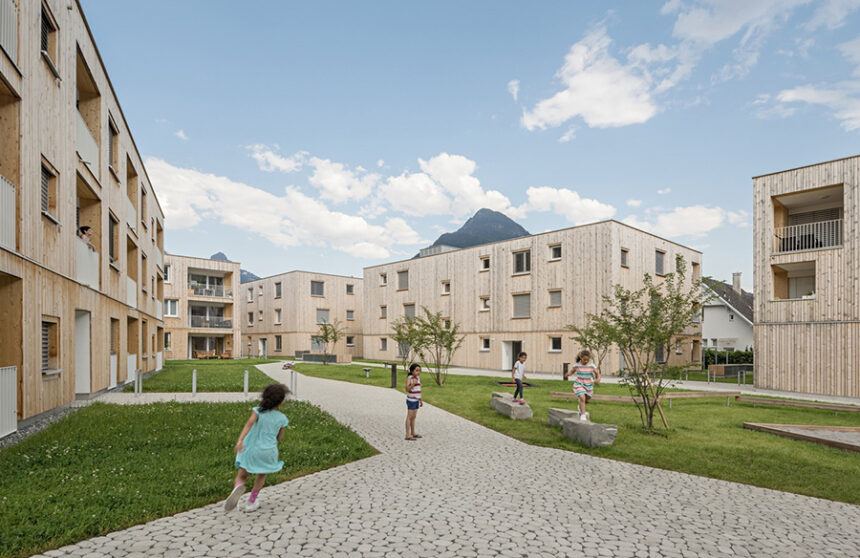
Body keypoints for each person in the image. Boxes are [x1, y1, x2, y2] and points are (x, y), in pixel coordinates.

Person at [224, 383, 289, 512]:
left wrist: (240, 440)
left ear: (264, 398)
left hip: (251, 449)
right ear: (280, 402)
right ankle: (251, 502)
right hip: (268, 451)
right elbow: (279, 438)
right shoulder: (283, 418)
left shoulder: (257, 411)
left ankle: (237, 488)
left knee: (242, 475)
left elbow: (248, 424)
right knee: (261, 475)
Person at [564, 350, 601, 421]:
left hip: (588, 385)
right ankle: (583, 415)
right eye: (584, 360)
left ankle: (580, 406)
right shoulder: (577, 365)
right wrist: (567, 374)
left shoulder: (591, 365)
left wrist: (598, 379)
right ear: (581, 358)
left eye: (588, 360)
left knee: (587, 400)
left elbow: (598, 374)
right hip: (579, 384)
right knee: (582, 398)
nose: (586, 361)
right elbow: (572, 371)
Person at [405, 363, 423, 441]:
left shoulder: (418, 378)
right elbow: (407, 389)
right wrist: (413, 384)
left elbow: (418, 390)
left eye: (419, 370)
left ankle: (413, 433)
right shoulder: (410, 378)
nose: (418, 372)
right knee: (409, 417)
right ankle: (407, 434)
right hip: (411, 400)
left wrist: (420, 400)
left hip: (416, 400)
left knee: (414, 417)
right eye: (416, 370)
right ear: (412, 371)